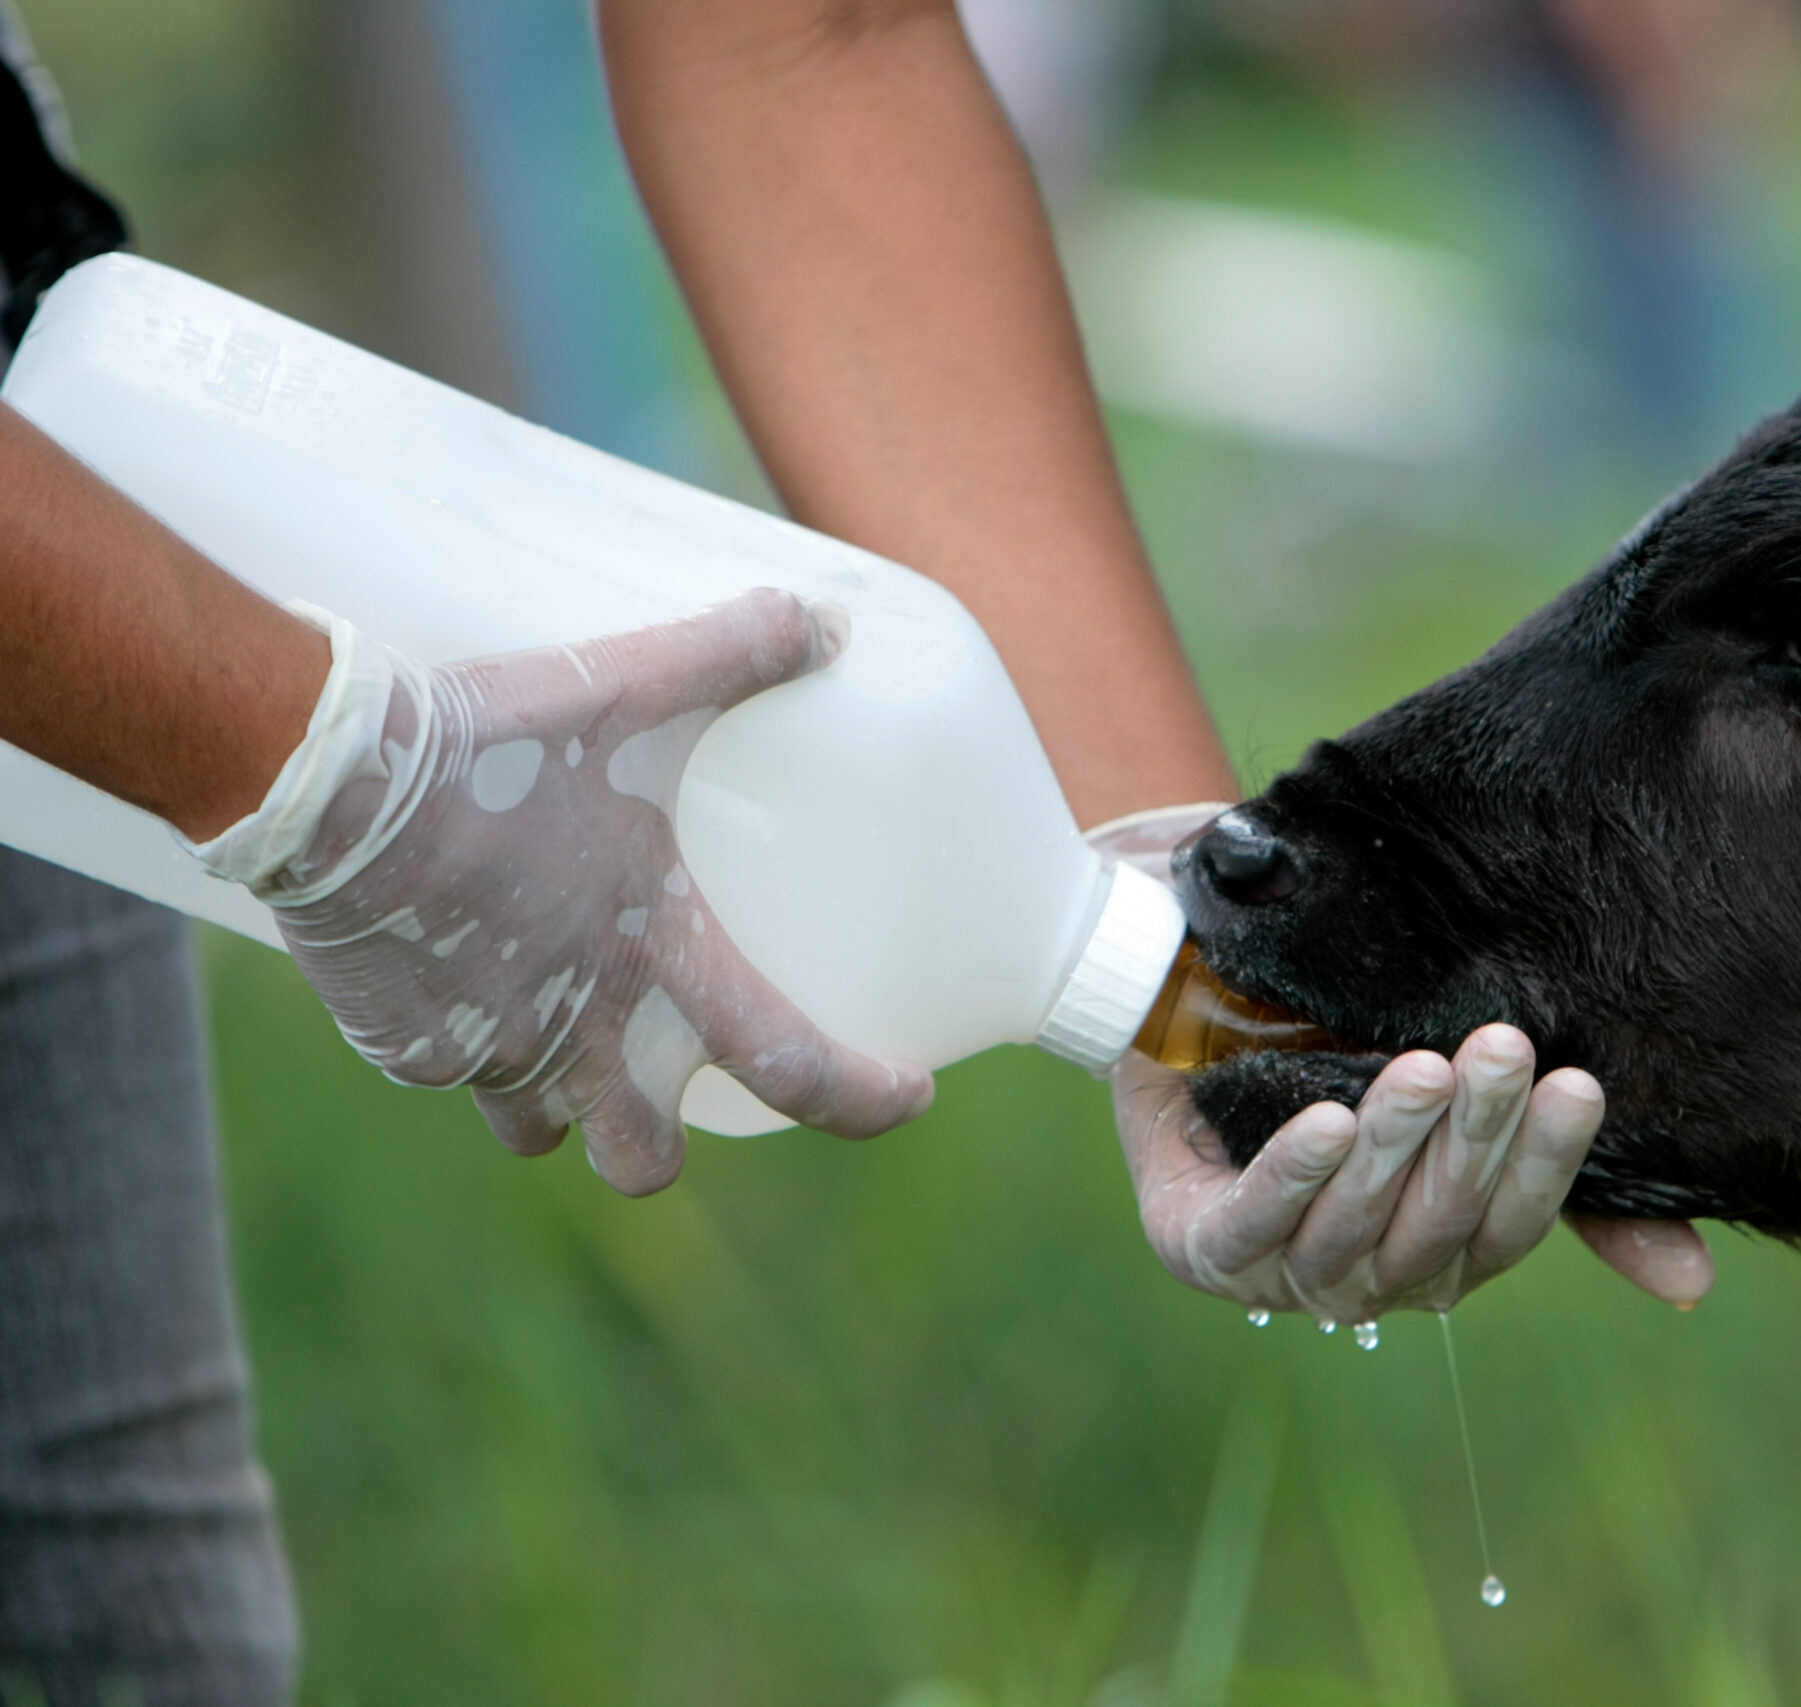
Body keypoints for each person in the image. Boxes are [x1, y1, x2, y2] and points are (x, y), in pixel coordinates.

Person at [0, 0, 1707, 1698]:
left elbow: (804, 33)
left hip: (68, 433)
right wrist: (313, 773)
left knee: (108, 1609)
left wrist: (1182, 918)